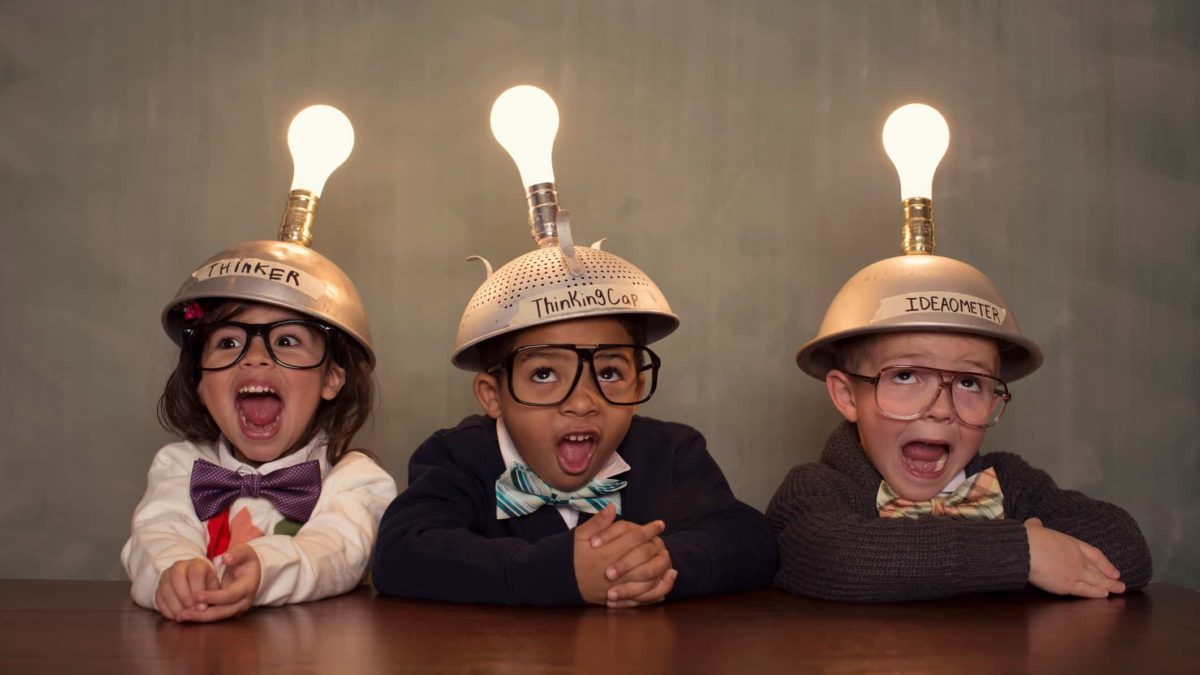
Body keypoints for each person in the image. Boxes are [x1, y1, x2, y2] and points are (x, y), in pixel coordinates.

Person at [372, 230, 777, 607]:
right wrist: (559, 571)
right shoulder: (458, 457)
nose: (583, 402)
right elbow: (401, 553)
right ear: (492, 396)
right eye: (544, 374)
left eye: (609, 373)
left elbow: (751, 540)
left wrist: (652, 563)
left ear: (637, 386)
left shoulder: (671, 453)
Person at [767, 250, 1153, 603]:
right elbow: (836, 557)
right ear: (848, 396)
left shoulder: (1009, 481)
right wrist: (1024, 552)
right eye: (905, 375)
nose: (940, 409)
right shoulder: (814, 488)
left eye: (969, 382)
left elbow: (1125, 548)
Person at [122, 237, 397, 622]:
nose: (254, 357)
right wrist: (175, 571)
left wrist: (264, 567)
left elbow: (337, 550)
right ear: (200, 382)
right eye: (228, 341)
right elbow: (155, 536)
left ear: (332, 379)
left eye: (286, 340)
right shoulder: (179, 465)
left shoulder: (357, 479)